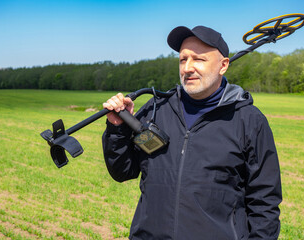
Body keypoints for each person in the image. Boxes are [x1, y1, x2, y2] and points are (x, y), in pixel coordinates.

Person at [102, 25, 282, 240]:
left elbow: (265, 201)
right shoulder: (156, 109)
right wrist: (117, 128)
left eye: (198, 59)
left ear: (223, 65)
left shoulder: (249, 120)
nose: (187, 68)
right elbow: (122, 171)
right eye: (182, 59)